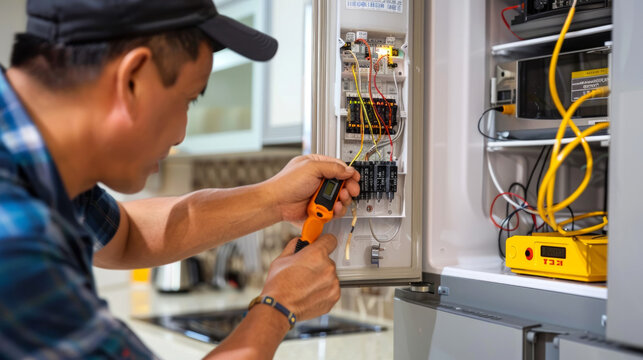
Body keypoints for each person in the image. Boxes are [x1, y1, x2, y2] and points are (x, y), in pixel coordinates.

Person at [0, 0, 360, 359]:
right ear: (132, 81)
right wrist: (280, 306)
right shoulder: (15, 239)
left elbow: (126, 236)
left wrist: (275, 199)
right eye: (188, 99)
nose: (180, 136)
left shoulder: (33, 161)